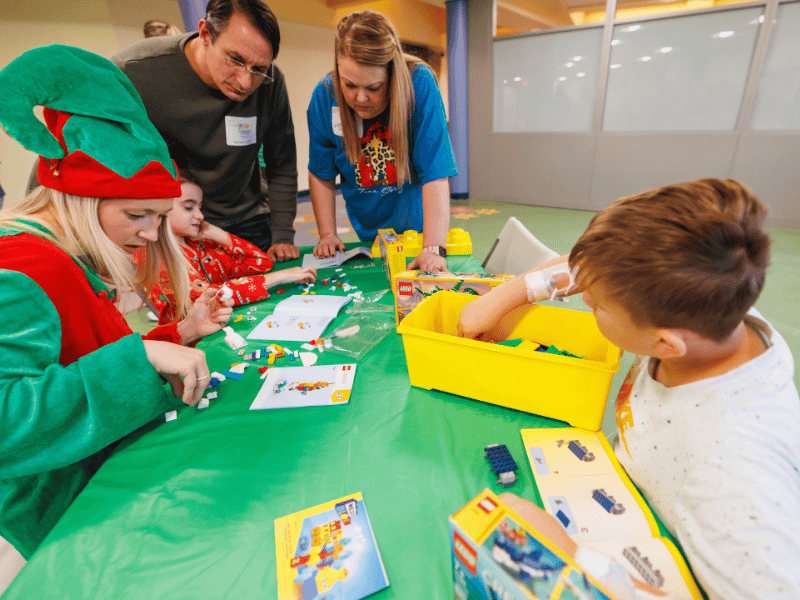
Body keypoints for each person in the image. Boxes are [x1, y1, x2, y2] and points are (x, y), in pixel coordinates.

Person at [458, 179, 800, 600]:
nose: (585, 298)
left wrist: (572, 557)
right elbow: (590, 268)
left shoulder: (731, 477)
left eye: (598, 305)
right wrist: (503, 297)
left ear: (665, 345)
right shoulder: (714, 304)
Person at [0, 45, 232, 573]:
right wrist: (139, 363)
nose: (151, 234)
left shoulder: (65, 256)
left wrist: (177, 336)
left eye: (158, 216)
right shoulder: (20, 266)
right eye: (138, 214)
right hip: (30, 535)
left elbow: (84, 353)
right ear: (82, 198)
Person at [113, 0, 300, 262]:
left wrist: (282, 235)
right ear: (205, 34)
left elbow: (282, 164)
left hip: (250, 218)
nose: (246, 82)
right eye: (235, 60)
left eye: (259, 69)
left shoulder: (271, 82)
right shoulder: (134, 71)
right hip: (174, 227)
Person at [307, 10, 458, 273]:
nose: (360, 99)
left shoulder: (419, 83)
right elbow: (321, 172)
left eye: (374, 88)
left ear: (392, 73)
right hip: (369, 230)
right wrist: (327, 234)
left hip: (422, 230)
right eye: (350, 85)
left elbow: (436, 171)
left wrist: (433, 249)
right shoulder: (324, 95)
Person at [147, 170, 317, 324]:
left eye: (199, 207)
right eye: (189, 207)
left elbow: (261, 263)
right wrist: (277, 277)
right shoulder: (154, 259)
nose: (200, 215)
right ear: (161, 208)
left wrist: (217, 234)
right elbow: (206, 296)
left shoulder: (200, 245)